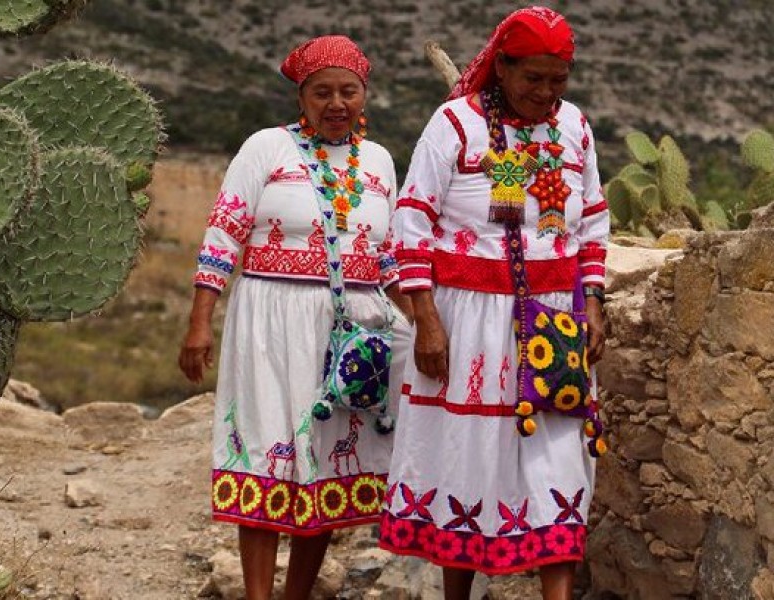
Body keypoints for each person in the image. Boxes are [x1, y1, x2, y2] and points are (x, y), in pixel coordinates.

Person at [379, 7, 609, 600]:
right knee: (466, 460)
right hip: (468, 323)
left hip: (553, 322)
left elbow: (592, 225)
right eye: (533, 77)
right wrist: (426, 320)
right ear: (501, 67)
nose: (546, 93)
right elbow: (411, 221)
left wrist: (594, 304)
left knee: (559, 463)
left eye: (558, 80)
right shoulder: (455, 125)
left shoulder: (574, 128)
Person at [179, 35, 411, 600]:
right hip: (269, 322)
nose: (337, 103)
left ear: (365, 94)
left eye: (347, 91)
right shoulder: (266, 148)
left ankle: (297, 595)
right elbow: (223, 233)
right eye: (321, 92)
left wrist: (423, 324)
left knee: (331, 465)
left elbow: (388, 258)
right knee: (264, 456)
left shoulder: (378, 160)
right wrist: (199, 321)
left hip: (350, 334)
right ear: (301, 96)